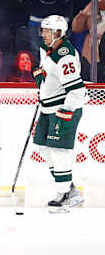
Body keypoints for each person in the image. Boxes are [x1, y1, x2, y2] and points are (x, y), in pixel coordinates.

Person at [32, 15, 87, 213]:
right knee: (41, 147)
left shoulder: (66, 56)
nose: (43, 34)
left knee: (59, 151)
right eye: (43, 30)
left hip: (62, 109)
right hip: (47, 108)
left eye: (47, 31)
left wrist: (66, 113)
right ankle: (69, 189)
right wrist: (42, 80)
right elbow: (47, 73)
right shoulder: (48, 49)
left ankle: (65, 194)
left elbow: (77, 90)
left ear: (58, 33)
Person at [71, 0, 105, 81]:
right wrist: (86, 11)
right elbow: (75, 28)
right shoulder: (91, 14)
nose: (102, 0)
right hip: (91, 57)